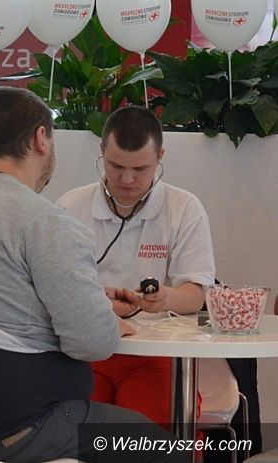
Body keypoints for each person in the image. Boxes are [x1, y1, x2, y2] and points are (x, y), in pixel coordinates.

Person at [0, 88, 188, 463]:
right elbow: (93, 344)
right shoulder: (48, 225)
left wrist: (88, 301)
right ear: (41, 138)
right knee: (167, 451)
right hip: (19, 428)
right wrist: (99, 316)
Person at [56, 105, 216, 426]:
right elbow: (54, 290)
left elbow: (198, 295)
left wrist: (165, 298)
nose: (127, 180)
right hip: (86, 352)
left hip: (156, 353)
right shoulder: (69, 207)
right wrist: (99, 303)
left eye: (140, 169)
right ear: (101, 152)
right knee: (72, 433)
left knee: (143, 439)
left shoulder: (184, 208)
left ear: (160, 157)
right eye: (116, 166)